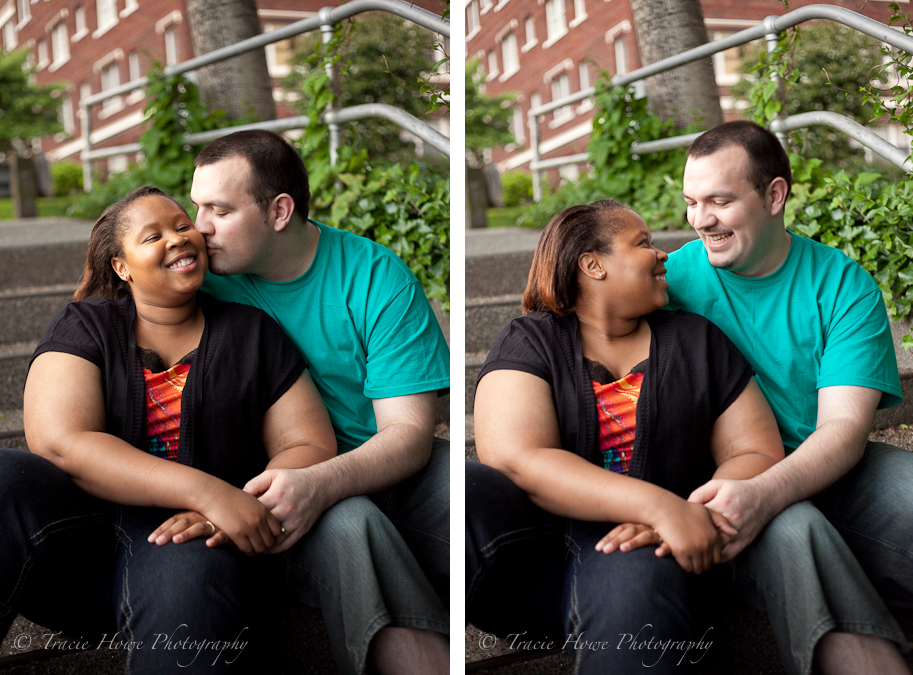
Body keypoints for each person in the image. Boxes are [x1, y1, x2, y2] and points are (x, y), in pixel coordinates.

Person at [0, 186, 337, 674]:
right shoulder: (86, 325)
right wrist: (208, 492)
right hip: (80, 553)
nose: (178, 239)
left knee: (189, 561)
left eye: (183, 226)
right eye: (153, 235)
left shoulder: (251, 332)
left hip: (197, 549)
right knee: (7, 475)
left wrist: (235, 509)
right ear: (122, 266)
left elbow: (308, 442)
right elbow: (60, 442)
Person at [466, 199, 785, 673]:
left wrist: (688, 515)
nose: (663, 256)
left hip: (647, 553)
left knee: (636, 576)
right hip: (534, 555)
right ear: (593, 265)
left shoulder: (697, 340)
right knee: (460, 485)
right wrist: (660, 506)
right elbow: (516, 457)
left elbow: (756, 450)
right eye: (643, 244)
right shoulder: (530, 340)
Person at [188, 129, 450, 675]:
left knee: (469, 492)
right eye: (196, 207)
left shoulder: (373, 275)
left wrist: (323, 481)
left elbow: (407, 434)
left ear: (279, 211)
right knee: (351, 522)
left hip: (383, 467)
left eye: (219, 209)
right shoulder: (201, 284)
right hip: (270, 487)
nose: (199, 228)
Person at [669, 120, 911, 674]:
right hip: (724, 487)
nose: (700, 219)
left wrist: (770, 492)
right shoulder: (668, 283)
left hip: (834, 470)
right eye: (691, 202)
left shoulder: (842, 285)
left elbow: (844, 431)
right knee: (795, 530)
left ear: (774, 194)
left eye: (720, 201)